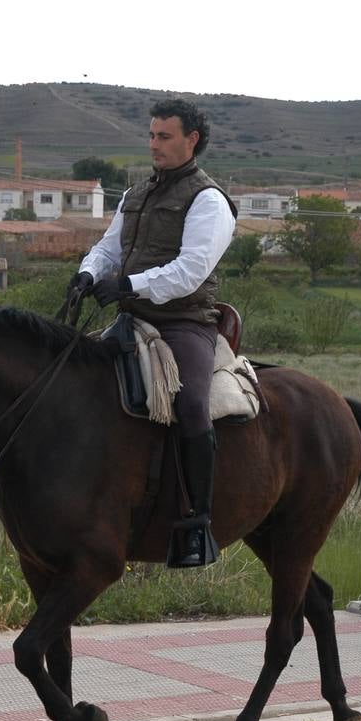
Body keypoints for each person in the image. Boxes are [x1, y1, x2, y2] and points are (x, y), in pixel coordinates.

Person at [69, 98, 238, 568]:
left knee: (189, 405)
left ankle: (197, 524)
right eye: (151, 135)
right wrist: (88, 273)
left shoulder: (209, 201)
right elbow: (108, 248)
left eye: (164, 136)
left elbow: (188, 272)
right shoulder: (135, 194)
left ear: (192, 140)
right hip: (131, 316)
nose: (154, 144)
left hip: (185, 322)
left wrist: (128, 284)